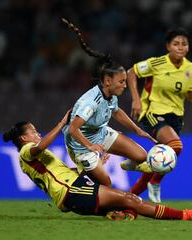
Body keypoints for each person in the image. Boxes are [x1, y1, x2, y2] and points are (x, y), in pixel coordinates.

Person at [2, 111, 192, 221]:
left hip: (70, 193)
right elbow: (41, 145)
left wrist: (95, 164)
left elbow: (59, 174)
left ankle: (117, 215)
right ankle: (186, 216)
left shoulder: (31, 159)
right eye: (33, 131)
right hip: (73, 191)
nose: (37, 134)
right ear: (23, 137)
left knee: (126, 204)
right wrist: (62, 123)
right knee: (131, 200)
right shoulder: (26, 151)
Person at [61, 18, 156, 187]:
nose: (125, 86)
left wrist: (137, 130)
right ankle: (72, 173)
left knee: (142, 156)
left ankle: (86, 171)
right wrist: (91, 146)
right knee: (106, 183)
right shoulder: (91, 103)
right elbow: (73, 128)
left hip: (101, 133)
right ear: (107, 81)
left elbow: (116, 111)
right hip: (81, 144)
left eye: (125, 81)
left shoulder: (111, 95)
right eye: (122, 82)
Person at [125, 28, 192, 203]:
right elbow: (130, 73)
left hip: (176, 117)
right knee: (176, 146)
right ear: (168, 46)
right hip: (152, 112)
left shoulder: (191, 68)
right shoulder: (157, 63)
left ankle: (129, 196)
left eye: (184, 44)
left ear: (188, 47)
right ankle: (155, 181)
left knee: (163, 156)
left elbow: (190, 93)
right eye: (176, 44)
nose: (180, 47)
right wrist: (136, 99)